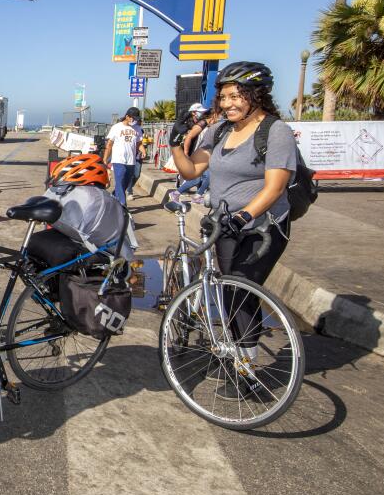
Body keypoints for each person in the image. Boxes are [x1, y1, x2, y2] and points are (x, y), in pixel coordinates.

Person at [169, 61, 296, 398]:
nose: (226, 104)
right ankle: (238, 357)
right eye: (223, 98)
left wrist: (243, 216)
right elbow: (193, 169)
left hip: (261, 226)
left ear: (255, 95)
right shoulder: (221, 130)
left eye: (234, 96)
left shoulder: (275, 131)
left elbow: (275, 187)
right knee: (227, 294)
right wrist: (176, 143)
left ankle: (247, 374)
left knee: (242, 290)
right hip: (224, 223)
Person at [103, 107, 141, 206]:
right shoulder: (116, 127)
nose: (134, 120)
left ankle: (113, 197)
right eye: (132, 118)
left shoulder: (137, 128)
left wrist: (143, 151)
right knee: (119, 181)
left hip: (131, 160)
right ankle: (123, 204)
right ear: (127, 116)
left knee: (126, 183)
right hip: (118, 159)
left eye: (136, 119)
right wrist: (105, 159)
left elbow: (139, 143)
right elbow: (109, 144)